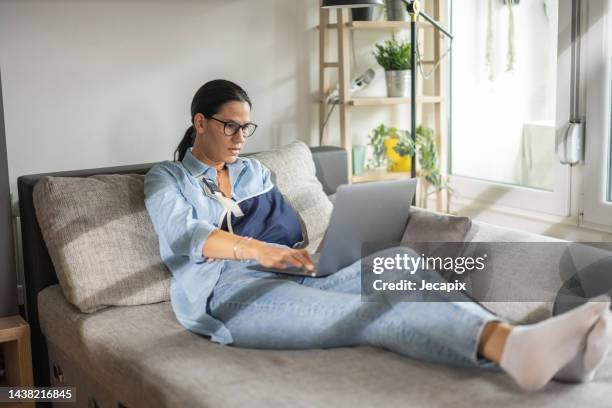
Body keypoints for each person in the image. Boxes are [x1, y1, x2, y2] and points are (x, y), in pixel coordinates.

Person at [144, 79, 612, 392]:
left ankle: (534, 349)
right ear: (199, 122)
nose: (240, 136)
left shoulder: (254, 172)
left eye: (246, 126)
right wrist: (260, 250)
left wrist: (309, 255)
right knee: (372, 309)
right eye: (230, 125)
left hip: (296, 272)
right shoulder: (168, 178)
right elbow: (187, 234)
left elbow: (283, 232)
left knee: (399, 265)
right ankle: (515, 351)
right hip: (229, 293)